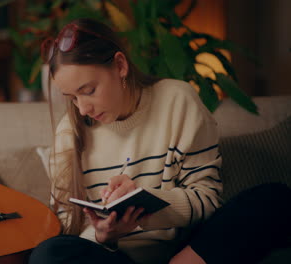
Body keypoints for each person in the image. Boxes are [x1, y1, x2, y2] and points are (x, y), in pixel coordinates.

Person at [29, 18, 291, 264]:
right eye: (72, 97)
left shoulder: (177, 100)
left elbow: (207, 199)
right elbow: (64, 224)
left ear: (120, 66)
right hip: (115, 258)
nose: (82, 108)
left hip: (187, 252)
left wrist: (146, 203)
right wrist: (104, 235)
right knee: (48, 255)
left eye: (88, 91)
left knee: (273, 199)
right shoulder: (69, 132)